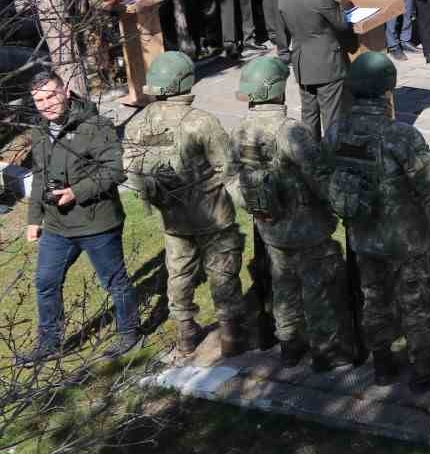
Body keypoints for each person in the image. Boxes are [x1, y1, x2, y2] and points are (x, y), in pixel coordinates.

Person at [325, 52, 430, 391]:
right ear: (387, 89)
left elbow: (324, 173)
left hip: (362, 236)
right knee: (415, 307)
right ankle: (423, 373)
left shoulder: (337, 131)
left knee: (373, 299)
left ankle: (382, 366)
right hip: (405, 240)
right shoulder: (400, 135)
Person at [231, 55, 357, 371]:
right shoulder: (292, 132)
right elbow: (320, 177)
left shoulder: (241, 131)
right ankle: (325, 352)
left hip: (270, 227)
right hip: (308, 228)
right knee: (318, 289)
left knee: (283, 286)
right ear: (278, 89)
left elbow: (230, 179)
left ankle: (289, 345)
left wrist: (257, 208)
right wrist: (343, 206)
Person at [123, 51, 249, 356]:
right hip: (212, 215)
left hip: (173, 217)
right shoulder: (201, 123)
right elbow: (228, 168)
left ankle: (186, 332)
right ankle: (231, 334)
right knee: (222, 271)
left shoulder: (138, 124)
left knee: (178, 273)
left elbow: (131, 169)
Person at [20, 69, 139, 363]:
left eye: (50, 96)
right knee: (46, 282)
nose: (46, 104)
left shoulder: (95, 126)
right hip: (58, 226)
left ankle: (129, 332)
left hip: (97, 223)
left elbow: (114, 170)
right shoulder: (38, 132)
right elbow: (38, 176)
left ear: (65, 92)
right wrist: (34, 218)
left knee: (114, 281)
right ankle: (49, 344)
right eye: (39, 100)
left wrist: (77, 192)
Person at [277, 0, 356, 139]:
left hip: (302, 62)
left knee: (309, 113)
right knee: (331, 116)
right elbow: (342, 25)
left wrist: (284, 53)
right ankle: (330, 158)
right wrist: (338, 2)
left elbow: (281, 31)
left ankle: (310, 156)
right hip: (326, 62)